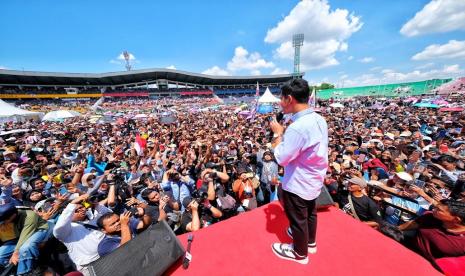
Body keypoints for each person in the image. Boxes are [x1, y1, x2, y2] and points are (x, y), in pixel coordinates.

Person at [270, 78, 328, 264]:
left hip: (298, 181)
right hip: (313, 177)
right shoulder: (319, 118)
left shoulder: (297, 127)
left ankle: (300, 253)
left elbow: (281, 158)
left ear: (289, 99)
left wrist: (278, 134)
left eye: (281, 98)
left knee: (298, 219)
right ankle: (310, 242)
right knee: (310, 212)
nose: (280, 103)